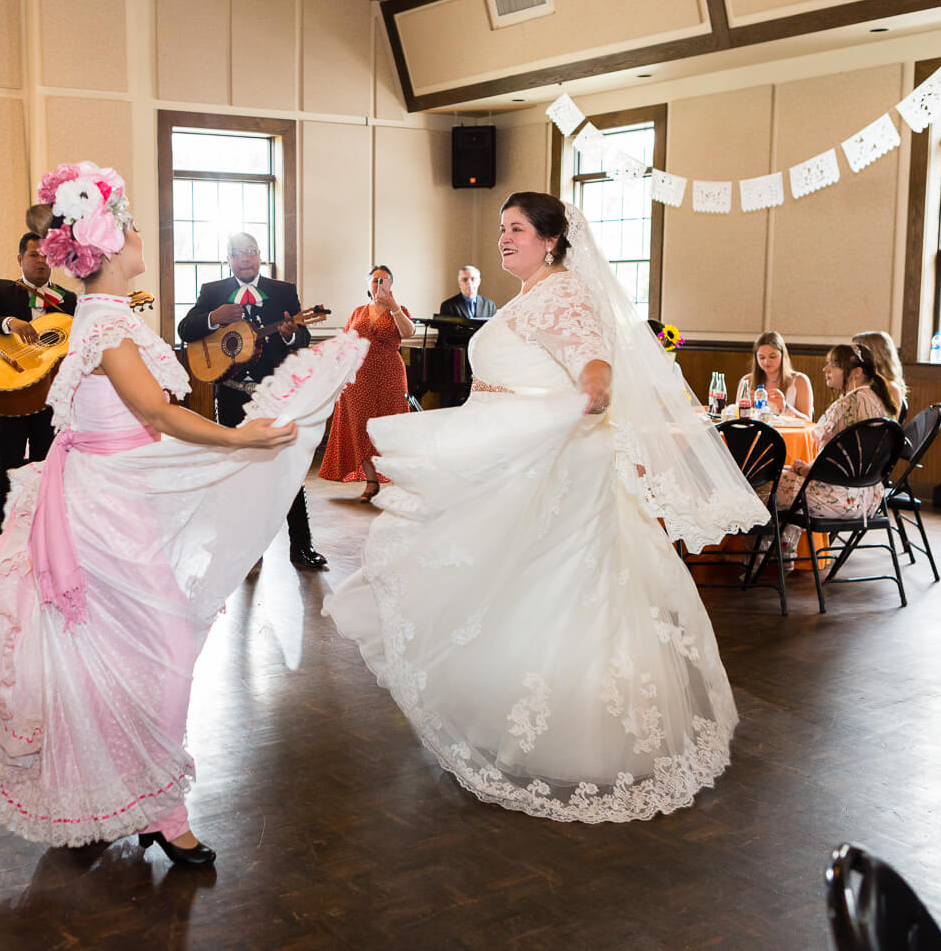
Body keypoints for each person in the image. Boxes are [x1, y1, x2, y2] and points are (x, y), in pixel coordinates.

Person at [0, 161, 365, 866]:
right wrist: (238, 438)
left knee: (126, 656)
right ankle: (157, 806)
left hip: (117, 496)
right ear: (108, 245)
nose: (143, 235)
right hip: (104, 506)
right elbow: (152, 410)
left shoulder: (111, 316)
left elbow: (155, 402)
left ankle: (143, 802)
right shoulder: (107, 324)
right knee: (162, 648)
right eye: (133, 226)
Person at [324, 191, 767, 823]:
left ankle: (583, 739)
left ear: (552, 240)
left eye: (519, 229)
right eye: (501, 228)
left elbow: (591, 354)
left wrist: (593, 381)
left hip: (552, 464)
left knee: (558, 593)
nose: (505, 237)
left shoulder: (562, 293)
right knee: (509, 587)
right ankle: (505, 708)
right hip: (511, 460)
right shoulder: (530, 294)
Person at [177, 232, 328, 570]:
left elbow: (301, 334)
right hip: (231, 393)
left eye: (250, 252)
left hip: (275, 394)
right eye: (236, 254)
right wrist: (214, 317)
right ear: (228, 259)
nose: (244, 259)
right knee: (236, 471)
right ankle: (245, 550)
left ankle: (301, 547)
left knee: (288, 469)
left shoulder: (282, 291)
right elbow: (185, 330)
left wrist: (289, 331)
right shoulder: (213, 291)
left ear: (260, 255)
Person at [0, 231, 77, 535]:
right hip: (11, 392)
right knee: (6, 467)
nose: (41, 261)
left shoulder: (67, 300)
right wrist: (10, 323)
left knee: (47, 468)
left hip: (49, 398)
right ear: (20, 259)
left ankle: (43, 541)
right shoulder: (0, 290)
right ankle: (3, 543)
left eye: (47, 256)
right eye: (34, 255)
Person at [772, 342, 898, 564]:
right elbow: (851, 457)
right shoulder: (880, 400)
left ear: (857, 373)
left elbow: (833, 464)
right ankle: (782, 554)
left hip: (838, 499)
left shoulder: (849, 404)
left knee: (763, 481)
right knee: (784, 477)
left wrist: (808, 469)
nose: (825, 369)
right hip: (870, 498)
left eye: (833, 365)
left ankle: (763, 557)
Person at [319, 265, 414, 502]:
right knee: (360, 426)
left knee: (392, 427)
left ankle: (401, 479)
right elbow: (345, 340)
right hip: (358, 378)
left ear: (391, 284)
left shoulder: (399, 310)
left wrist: (393, 309)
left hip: (389, 376)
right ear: (368, 285)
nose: (379, 284)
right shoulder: (358, 311)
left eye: (384, 280)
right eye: (374, 280)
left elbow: (408, 333)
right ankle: (371, 482)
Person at [735, 330, 812, 421]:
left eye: (772, 356)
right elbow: (735, 417)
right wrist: (745, 407)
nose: (766, 362)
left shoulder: (800, 380)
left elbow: (808, 420)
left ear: (782, 355)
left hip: (786, 434)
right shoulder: (747, 380)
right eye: (762, 357)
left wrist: (785, 407)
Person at [851, 330, 907, 419]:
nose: (850, 357)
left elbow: (890, 426)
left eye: (855, 352)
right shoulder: (856, 382)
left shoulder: (891, 388)